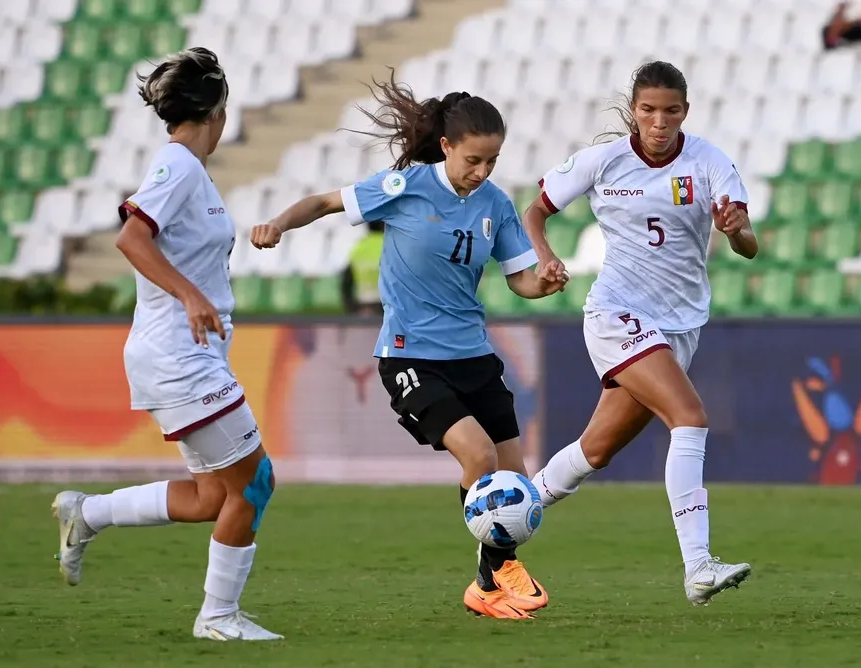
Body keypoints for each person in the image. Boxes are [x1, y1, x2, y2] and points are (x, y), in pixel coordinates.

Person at [249, 70, 568, 620]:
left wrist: (545, 280)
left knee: (516, 480)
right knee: (480, 457)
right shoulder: (406, 187)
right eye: (473, 159)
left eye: (492, 161)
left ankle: (488, 581)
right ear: (445, 146)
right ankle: (495, 575)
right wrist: (277, 225)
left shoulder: (495, 204)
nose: (482, 171)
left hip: (474, 356)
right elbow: (324, 202)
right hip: (411, 355)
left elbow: (520, 279)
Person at [50, 47, 283, 642]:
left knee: (212, 498)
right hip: (178, 356)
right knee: (255, 483)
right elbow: (132, 238)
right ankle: (218, 617)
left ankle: (87, 513)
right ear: (217, 111)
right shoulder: (177, 165)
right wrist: (190, 295)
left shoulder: (191, 171)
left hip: (190, 354)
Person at [523, 61, 758, 607]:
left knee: (595, 450)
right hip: (617, 313)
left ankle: (505, 523)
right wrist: (545, 257)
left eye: (670, 111)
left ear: (685, 112)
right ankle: (698, 566)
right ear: (634, 110)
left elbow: (749, 246)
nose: (659, 121)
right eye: (648, 110)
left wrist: (735, 231)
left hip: (680, 325)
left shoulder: (709, 162)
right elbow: (534, 213)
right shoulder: (603, 161)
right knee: (690, 417)